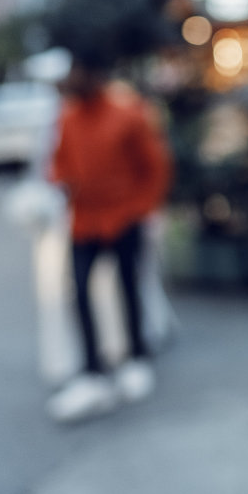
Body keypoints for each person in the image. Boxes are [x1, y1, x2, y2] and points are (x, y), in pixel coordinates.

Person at [45, 57, 173, 423]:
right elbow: (59, 163)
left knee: (128, 287)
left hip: (123, 216)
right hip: (84, 220)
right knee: (79, 292)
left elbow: (154, 165)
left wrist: (144, 208)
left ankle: (137, 356)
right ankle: (91, 369)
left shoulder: (127, 115)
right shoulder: (68, 119)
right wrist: (60, 183)